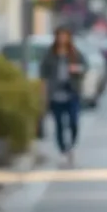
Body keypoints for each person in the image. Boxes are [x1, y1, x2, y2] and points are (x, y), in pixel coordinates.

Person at [39, 27, 88, 166]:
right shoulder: (50, 54)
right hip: (55, 95)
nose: (62, 39)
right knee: (59, 124)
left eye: (64, 36)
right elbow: (43, 74)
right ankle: (62, 150)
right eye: (60, 36)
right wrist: (43, 94)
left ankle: (71, 146)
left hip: (72, 93)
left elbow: (85, 67)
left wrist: (76, 69)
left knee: (73, 121)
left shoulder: (74, 53)